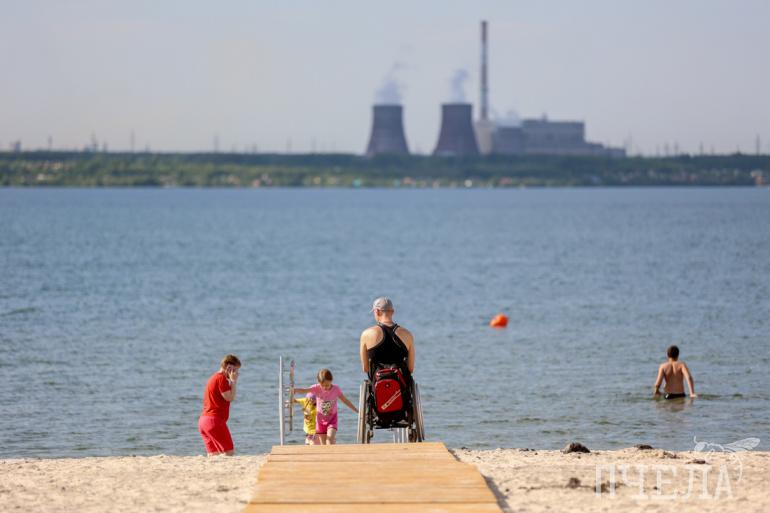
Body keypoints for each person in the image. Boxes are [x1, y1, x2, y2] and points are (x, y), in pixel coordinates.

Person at [293, 368, 358, 445]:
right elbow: (305, 390)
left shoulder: (336, 389)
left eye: (327, 385)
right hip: (320, 421)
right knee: (323, 445)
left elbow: (345, 400)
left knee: (330, 439)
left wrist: (356, 410)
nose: (325, 387)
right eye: (322, 385)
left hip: (332, 419)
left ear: (331, 380)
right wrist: (295, 390)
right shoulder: (316, 388)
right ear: (319, 383)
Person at [359, 297, 415, 379]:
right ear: (393, 312)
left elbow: (365, 368)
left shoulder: (366, 334)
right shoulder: (407, 334)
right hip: (400, 384)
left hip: (377, 384)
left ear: (377, 311)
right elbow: (411, 368)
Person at [198, 354, 241, 455]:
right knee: (229, 453)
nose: (236, 373)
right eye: (235, 370)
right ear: (228, 367)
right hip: (214, 421)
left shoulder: (213, 377)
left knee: (213, 455)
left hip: (203, 421)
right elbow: (230, 397)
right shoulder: (221, 379)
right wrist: (233, 381)